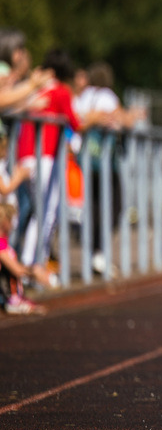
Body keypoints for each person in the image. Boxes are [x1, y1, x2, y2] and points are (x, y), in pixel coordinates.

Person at [16, 48, 79, 283]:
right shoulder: (61, 91)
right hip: (45, 156)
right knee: (47, 212)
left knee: (35, 211)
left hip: (23, 153)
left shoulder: (34, 89)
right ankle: (33, 265)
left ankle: (27, 264)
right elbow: (76, 122)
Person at [73, 62, 129, 275]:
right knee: (114, 205)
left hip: (85, 158)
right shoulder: (107, 96)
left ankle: (94, 252)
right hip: (103, 160)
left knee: (94, 205)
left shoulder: (83, 96)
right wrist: (128, 116)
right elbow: (121, 120)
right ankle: (98, 251)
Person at [0, 203, 51, 314]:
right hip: (7, 296)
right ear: (5, 222)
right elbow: (16, 270)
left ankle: (16, 297)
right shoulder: (1, 245)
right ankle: (12, 300)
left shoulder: (4, 242)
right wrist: (34, 272)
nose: (13, 225)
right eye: (11, 220)